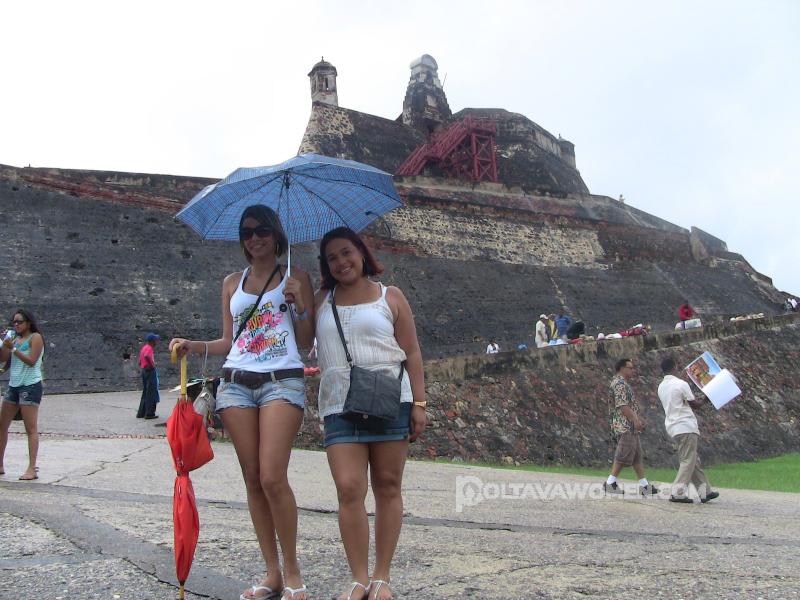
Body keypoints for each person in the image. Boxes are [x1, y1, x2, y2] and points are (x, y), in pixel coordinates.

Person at [170, 205, 315, 600]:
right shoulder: (232, 283)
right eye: (248, 232)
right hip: (235, 384)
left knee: (272, 476)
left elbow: (305, 341)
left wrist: (300, 304)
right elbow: (227, 341)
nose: (255, 237)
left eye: (262, 229)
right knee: (252, 477)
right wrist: (192, 345)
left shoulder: (296, 277)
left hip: (281, 381)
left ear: (276, 234)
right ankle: (272, 574)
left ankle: (293, 571)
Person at [314, 227, 427, 600]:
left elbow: (412, 351)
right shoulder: (321, 299)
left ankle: (382, 577)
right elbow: (298, 341)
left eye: (346, 252)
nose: (341, 262)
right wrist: (296, 301)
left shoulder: (389, 296)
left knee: (388, 485)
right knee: (349, 488)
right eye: (332, 258)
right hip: (339, 404)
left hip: (390, 400)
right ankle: (359, 578)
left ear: (361, 253)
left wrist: (420, 404)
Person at [657, 356, 719, 504]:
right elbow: (695, 405)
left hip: (673, 426)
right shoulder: (681, 384)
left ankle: (705, 491)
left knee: (692, 460)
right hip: (685, 425)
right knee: (688, 460)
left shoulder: (661, 387)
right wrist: (706, 399)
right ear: (675, 367)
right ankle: (677, 492)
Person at [0, 309, 45, 481]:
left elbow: (32, 361)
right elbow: (3, 359)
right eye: (14, 322)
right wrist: (5, 344)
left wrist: (13, 349)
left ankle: (32, 468)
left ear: (28, 323)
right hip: (14, 385)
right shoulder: (14, 339)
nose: (16, 324)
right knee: (2, 425)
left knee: (30, 428)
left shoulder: (35, 338)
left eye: (19, 321)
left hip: (30, 385)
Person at [603, 358, 658, 496]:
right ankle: (610, 482)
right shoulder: (620, 384)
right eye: (630, 368)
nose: (633, 370)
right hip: (625, 425)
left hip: (629, 424)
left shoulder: (622, 383)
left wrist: (636, 418)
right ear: (622, 368)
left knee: (636, 456)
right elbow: (623, 406)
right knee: (623, 455)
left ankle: (644, 486)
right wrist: (635, 419)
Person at [136, 333, 161, 419]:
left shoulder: (144, 348)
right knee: (151, 392)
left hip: (144, 370)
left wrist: (143, 365)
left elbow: (140, 361)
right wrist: (153, 364)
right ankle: (149, 413)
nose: (157, 342)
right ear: (152, 341)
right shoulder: (149, 348)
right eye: (156, 340)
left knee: (146, 391)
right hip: (150, 370)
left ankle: (141, 413)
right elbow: (147, 356)